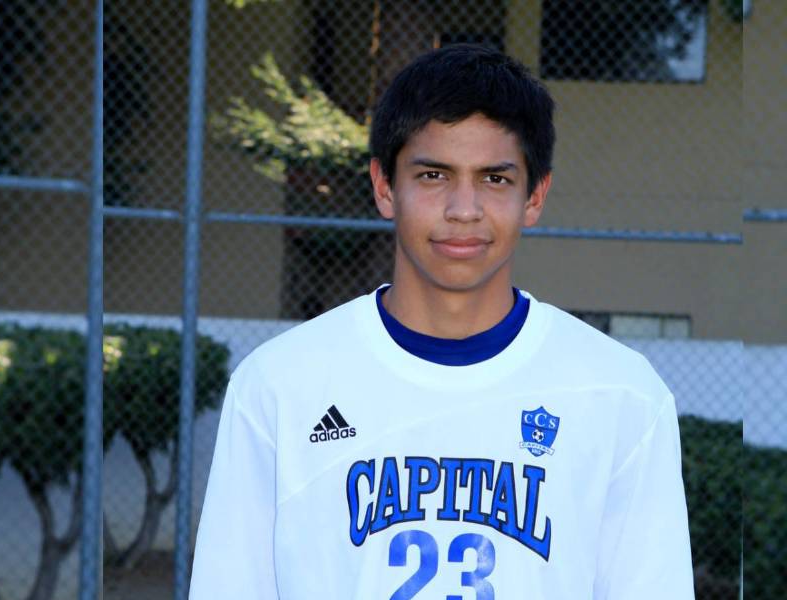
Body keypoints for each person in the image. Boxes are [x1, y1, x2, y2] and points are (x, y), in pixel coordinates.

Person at [190, 44, 694, 599]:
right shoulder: (278, 386)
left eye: (494, 179)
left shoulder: (622, 394)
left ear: (535, 196)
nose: (463, 209)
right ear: (385, 186)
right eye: (433, 175)